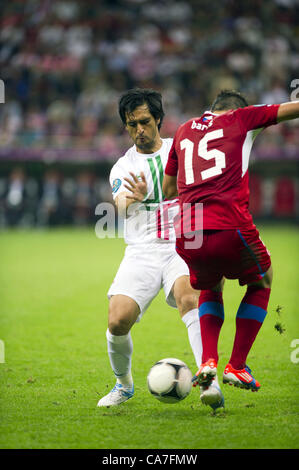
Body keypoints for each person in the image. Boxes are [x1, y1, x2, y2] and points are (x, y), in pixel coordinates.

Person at [162, 90, 299, 391]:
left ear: (211, 109)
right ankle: (236, 365)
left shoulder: (183, 129)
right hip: (228, 226)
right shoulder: (243, 118)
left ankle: (208, 361)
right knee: (263, 278)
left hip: (188, 234)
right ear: (238, 109)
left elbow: (168, 188)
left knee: (212, 284)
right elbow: (291, 110)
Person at [97, 88, 224, 410]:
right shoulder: (123, 166)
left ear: (158, 120)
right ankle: (123, 385)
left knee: (190, 298)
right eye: (131, 125)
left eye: (144, 122)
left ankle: (209, 382)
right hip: (141, 250)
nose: (138, 130)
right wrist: (133, 199)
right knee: (117, 321)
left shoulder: (181, 151)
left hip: (184, 243)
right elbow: (120, 205)